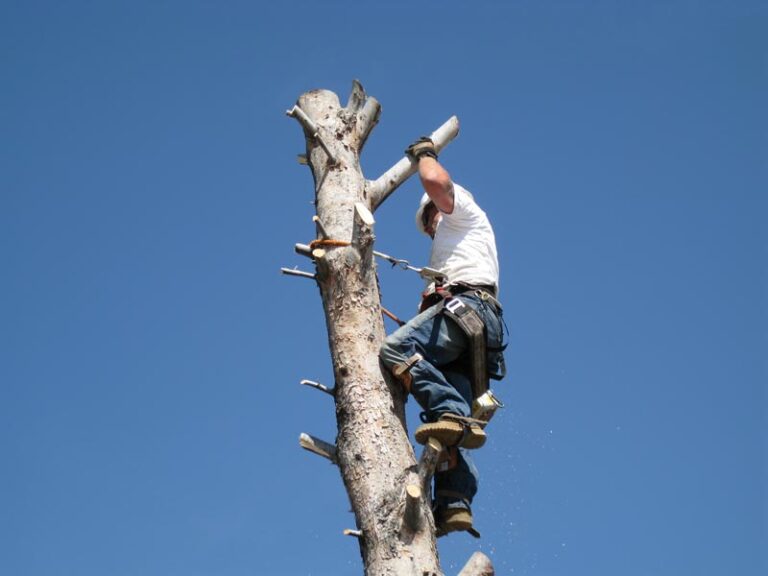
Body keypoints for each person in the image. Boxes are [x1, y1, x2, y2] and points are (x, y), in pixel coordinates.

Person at [379, 137, 507, 537]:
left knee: (396, 348)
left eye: (430, 218)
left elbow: (435, 181)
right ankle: (454, 502)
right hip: (475, 335)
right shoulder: (456, 248)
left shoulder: (462, 213)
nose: (431, 226)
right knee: (447, 423)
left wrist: (425, 154)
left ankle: (451, 411)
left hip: (468, 312)